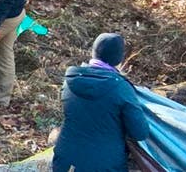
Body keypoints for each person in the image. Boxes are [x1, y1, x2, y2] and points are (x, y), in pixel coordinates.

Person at [52, 33, 150, 172]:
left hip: (65, 161)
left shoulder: (70, 80)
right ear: (119, 59)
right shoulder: (120, 87)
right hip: (105, 165)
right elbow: (140, 132)